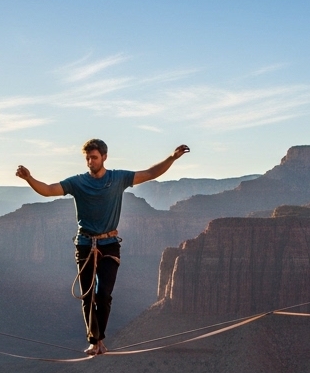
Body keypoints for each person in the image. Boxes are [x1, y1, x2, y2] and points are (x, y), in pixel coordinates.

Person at [16, 138, 190, 356]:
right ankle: (95, 342)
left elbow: (150, 173)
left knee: (103, 295)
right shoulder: (77, 182)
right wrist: (29, 178)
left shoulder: (118, 178)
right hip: (85, 245)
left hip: (109, 245)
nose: (90, 162)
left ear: (104, 157)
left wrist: (172, 158)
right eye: (87, 158)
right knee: (87, 296)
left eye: (94, 157)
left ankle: (100, 339)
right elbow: (49, 190)